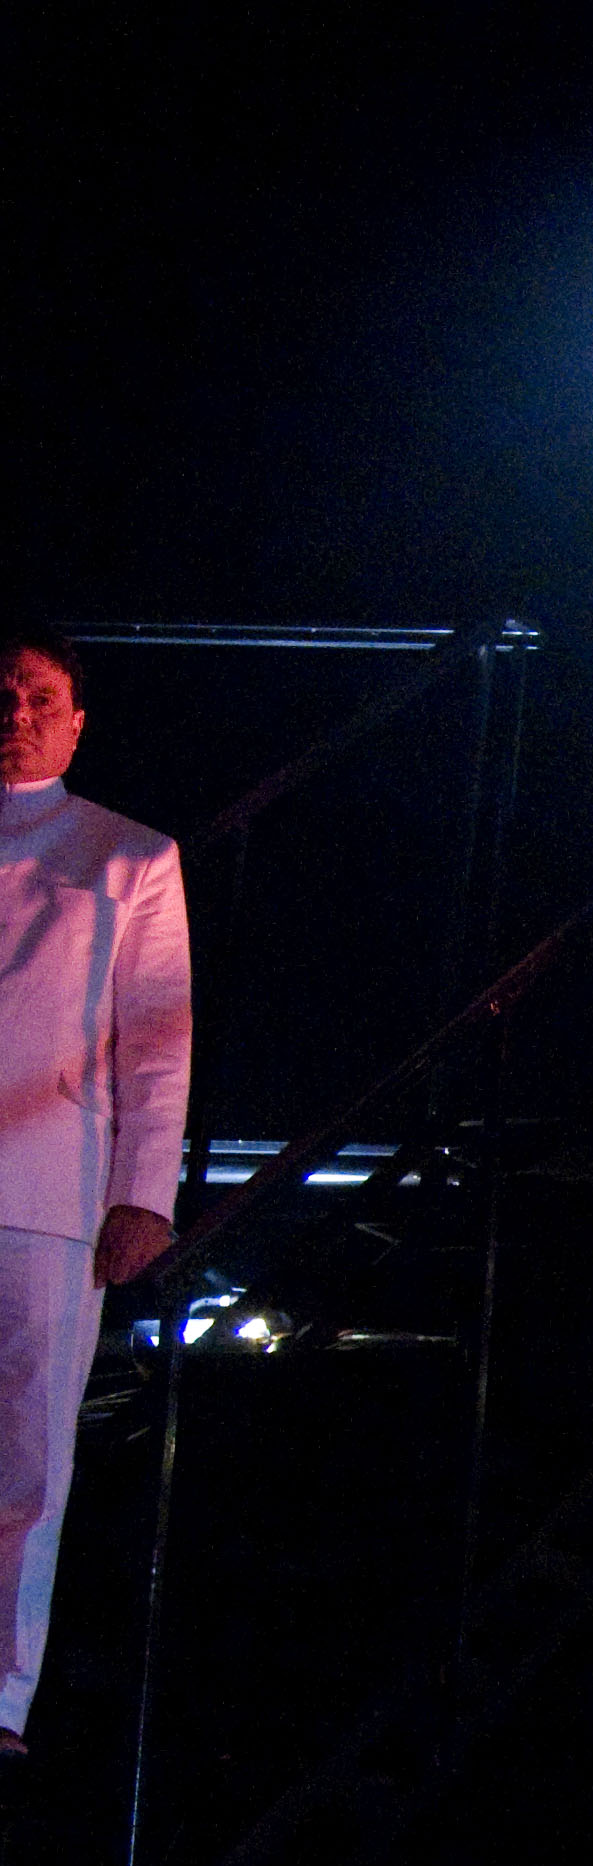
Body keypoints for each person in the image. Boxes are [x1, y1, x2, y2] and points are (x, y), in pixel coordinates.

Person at [0, 630, 188, 1762]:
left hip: (50, 1188)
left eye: (39, 695)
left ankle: (1, 1695)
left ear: (74, 721)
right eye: (3, 693)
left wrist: (143, 1194)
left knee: (29, 1457)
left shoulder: (129, 855)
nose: (16, 712)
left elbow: (155, 1040)